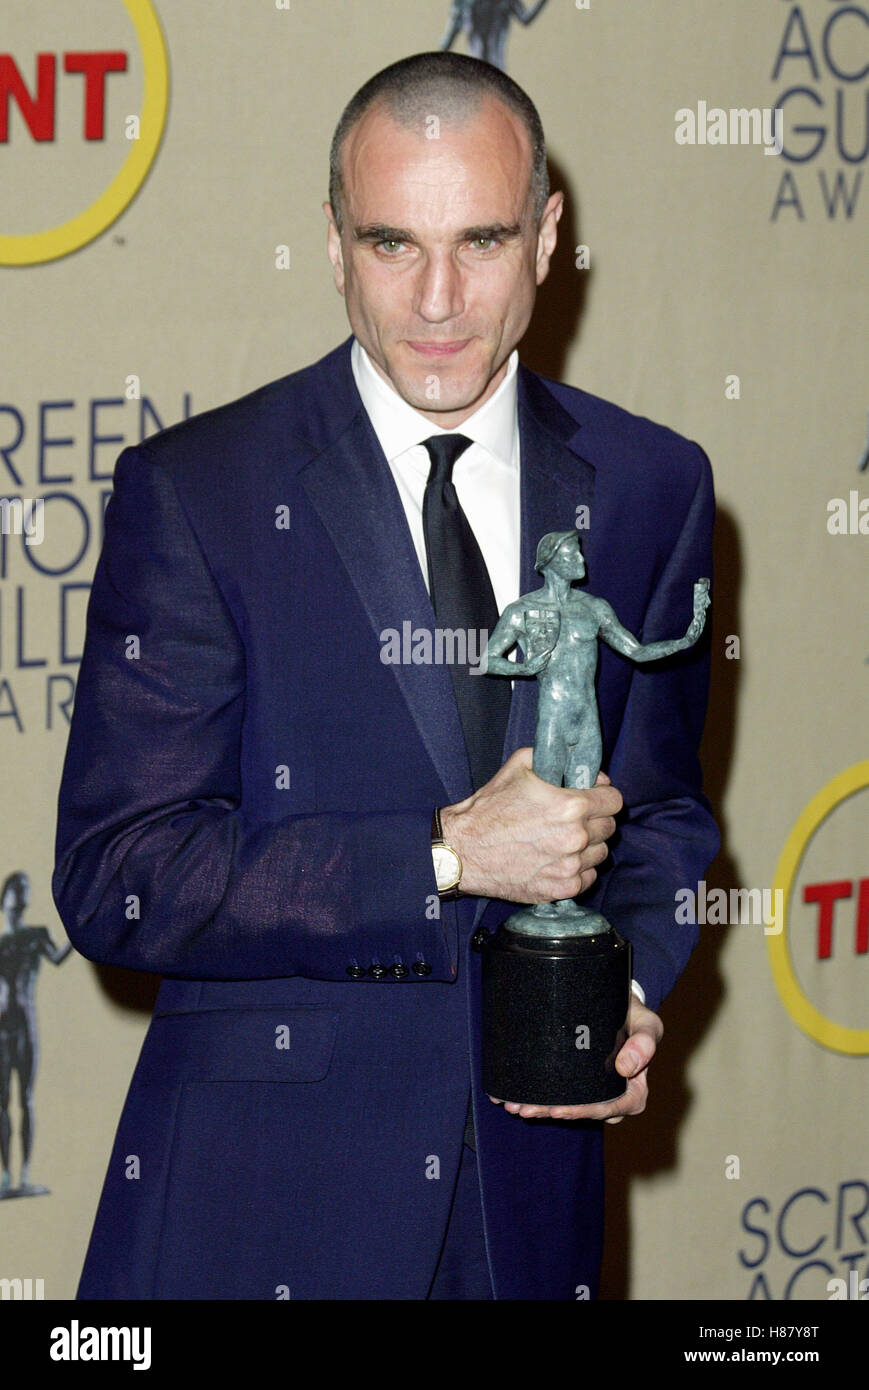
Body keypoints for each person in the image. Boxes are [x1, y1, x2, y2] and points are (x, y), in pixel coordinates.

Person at [53, 51, 719, 1300]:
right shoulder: (201, 493)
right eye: (389, 244)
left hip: (532, 1200)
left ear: (545, 235)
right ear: (330, 239)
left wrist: (611, 982)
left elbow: (661, 814)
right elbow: (118, 877)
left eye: (478, 240)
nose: (436, 299)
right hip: (261, 1215)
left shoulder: (650, 486)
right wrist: (442, 855)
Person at [0, 871, 72, 1197]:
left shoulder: (35, 935)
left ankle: (24, 1173)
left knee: (26, 1098)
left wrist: (80, 926)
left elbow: (57, 957)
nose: (19, 899)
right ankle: (5, 1175)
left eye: (24, 891)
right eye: (16, 892)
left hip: (26, 1025)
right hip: (2, 1028)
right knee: (2, 1101)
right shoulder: (2, 944)